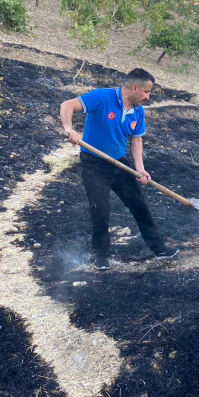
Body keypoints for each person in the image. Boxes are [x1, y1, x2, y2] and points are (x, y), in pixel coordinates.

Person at [60, 68, 179, 270]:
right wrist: (69, 128)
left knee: (139, 205)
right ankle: (101, 256)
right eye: (146, 92)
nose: (148, 97)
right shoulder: (102, 97)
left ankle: (158, 249)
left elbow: (136, 140)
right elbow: (67, 105)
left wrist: (140, 169)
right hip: (94, 163)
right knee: (100, 210)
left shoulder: (138, 111)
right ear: (135, 87)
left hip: (119, 163)